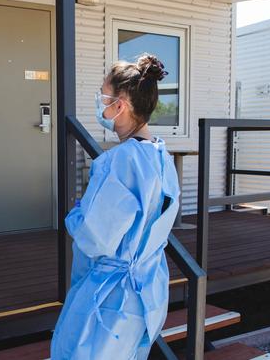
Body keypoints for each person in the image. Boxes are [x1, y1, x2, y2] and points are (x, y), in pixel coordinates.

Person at [50, 54, 180, 359]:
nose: (100, 103)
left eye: (104, 95)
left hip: (113, 297)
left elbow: (95, 236)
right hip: (148, 288)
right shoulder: (161, 157)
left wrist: (77, 213)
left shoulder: (119, 162)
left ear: (120, 105)